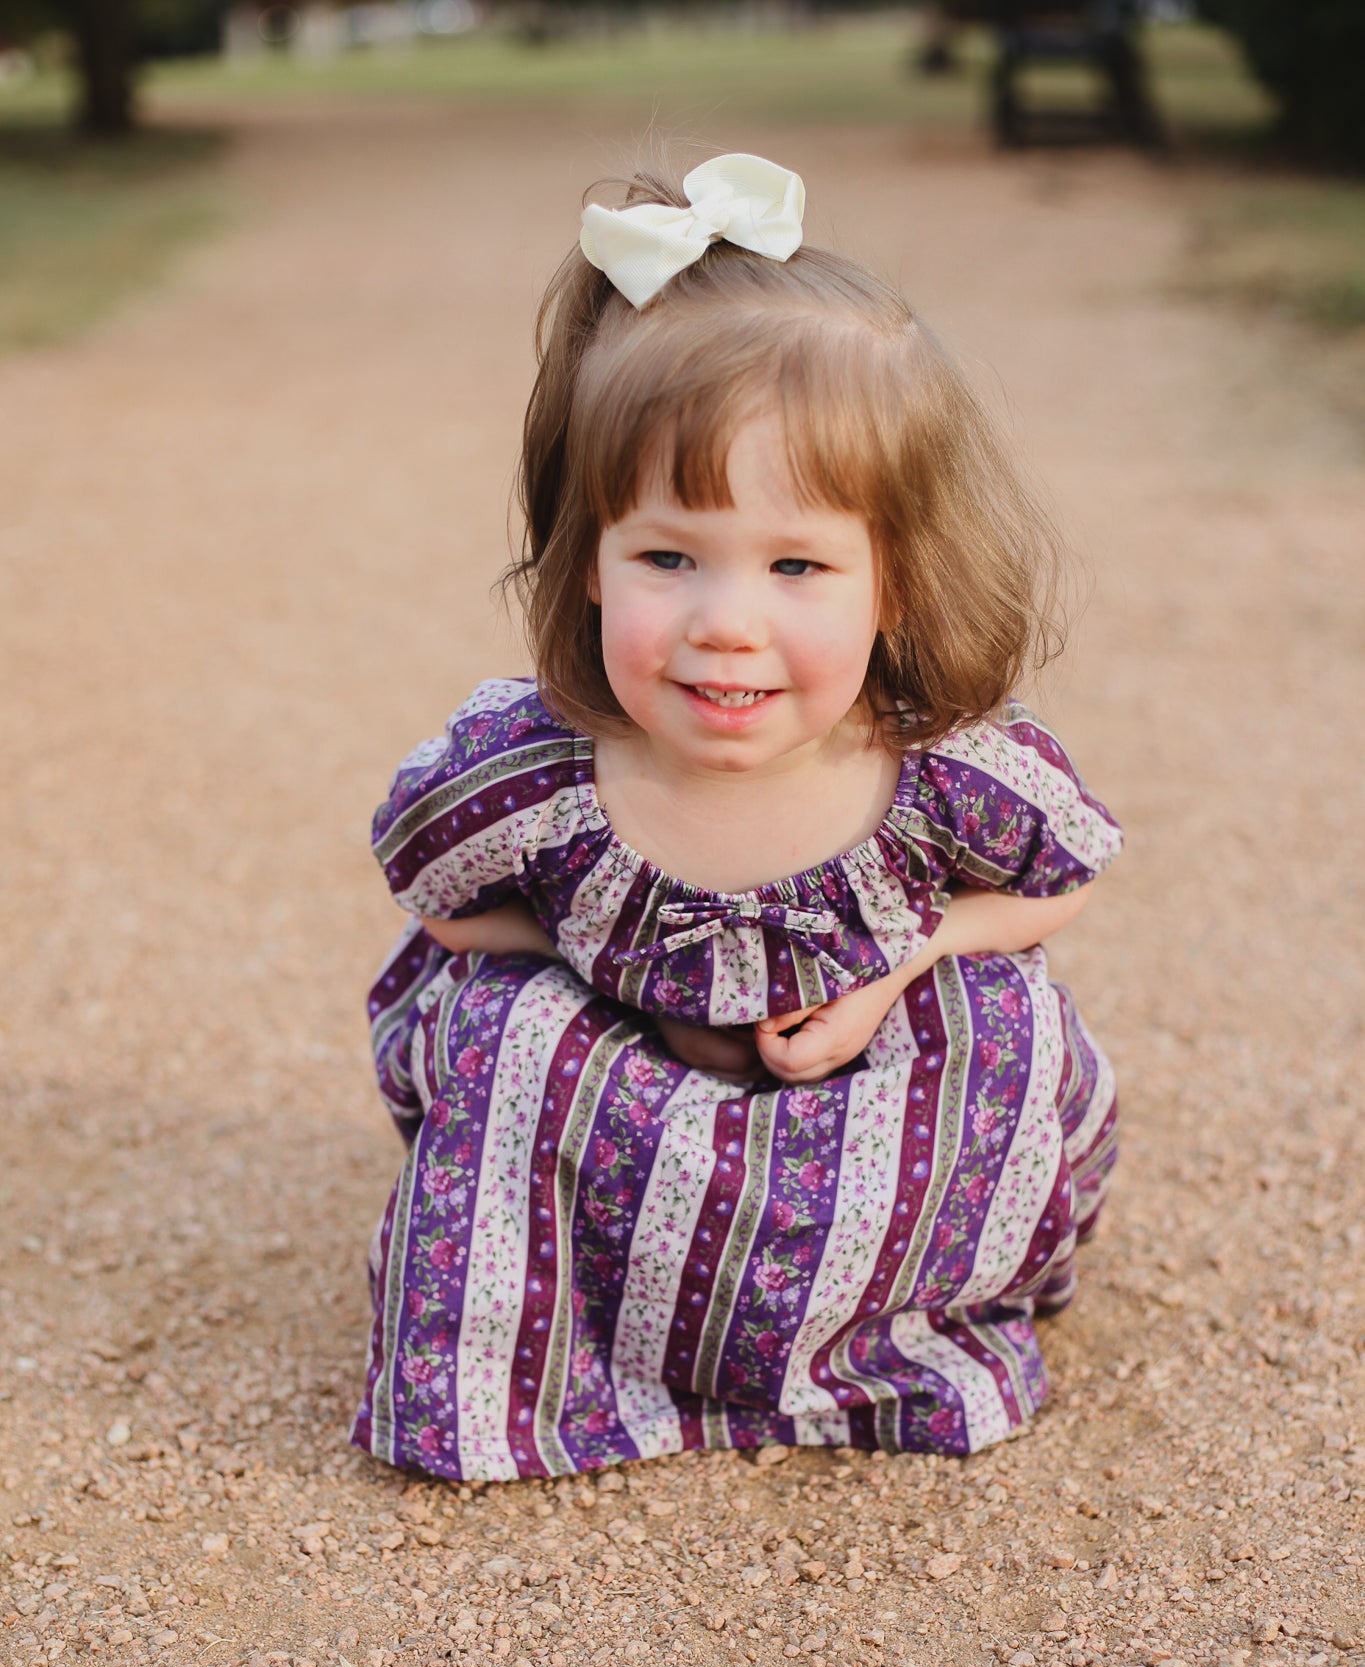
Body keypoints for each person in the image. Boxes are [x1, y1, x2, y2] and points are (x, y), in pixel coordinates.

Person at [353, 153, 1121, 1487]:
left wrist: (901, 967)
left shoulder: (937, 774)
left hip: (855, 1143)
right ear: (586, 556)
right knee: (495, 1022)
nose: (725, 620)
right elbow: (441, 900)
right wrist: (584, 979)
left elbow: (1058, 883)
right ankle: (544, 1370)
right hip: (626, 1168)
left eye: (797, 565)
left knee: (1006, 1014)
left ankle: (882, 1343)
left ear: (896, 581)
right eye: (667, 556)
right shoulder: (544, 778)